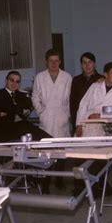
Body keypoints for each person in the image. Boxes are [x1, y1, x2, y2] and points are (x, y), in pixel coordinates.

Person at [73, 62, 112, 197]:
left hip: (104, 128)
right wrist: (79, 124)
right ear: (105, 74)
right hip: (86, 124)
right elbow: (83, 104)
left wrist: (100, 115)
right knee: (79, 157)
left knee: (97, 159)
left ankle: (94, 187)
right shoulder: (95, 86)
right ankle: (80, 187)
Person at [32, 49, 72, 192]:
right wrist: (41, 111)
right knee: (46, 153)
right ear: (46, 62)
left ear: (60, 62)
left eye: (56, 60)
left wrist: (67, 114)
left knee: (61, 152)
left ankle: (59, 181)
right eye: (51, 60)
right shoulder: (40, 77)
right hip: (46, 118)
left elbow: (70, 100)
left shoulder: (67, 77)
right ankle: (45, 183)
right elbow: (35, 97)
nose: (54, 63)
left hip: (62, 117)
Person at [0, 70, 52, 142]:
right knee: (27, 127)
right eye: (12, 80)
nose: (14, 83)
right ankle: (52, 142)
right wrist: (19, 111)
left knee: (31, 129)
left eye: (17, 81)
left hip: (21, 128)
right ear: (6, 80)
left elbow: (28, 106)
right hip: (4, 130)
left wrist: (10, 112)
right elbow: (6, 108)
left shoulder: (22, 95)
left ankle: (53, 142)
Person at [69, 52, 104, 131]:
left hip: (96, 120)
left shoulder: (102, 79)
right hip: (80, 120)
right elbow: (73, 104)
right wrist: (76, 123)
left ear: (94, 64)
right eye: (84, 62)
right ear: (81, 65)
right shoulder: (76, 80)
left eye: (90, 62)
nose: (87, 65)